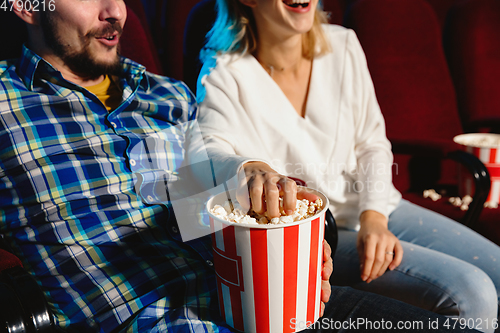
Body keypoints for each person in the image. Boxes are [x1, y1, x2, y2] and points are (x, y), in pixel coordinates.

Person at [0, 0, 484, 332]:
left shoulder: (167, 94)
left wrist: (293, 249)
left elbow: (207, 194)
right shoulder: (5, 104)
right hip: (156, 318)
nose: (115, 13)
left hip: (258, 302)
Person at [194, 0, 500, 331]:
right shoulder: (222, 72)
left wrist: (374, 218)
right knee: (472, 293)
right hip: (314, 234)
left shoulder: (343, 44)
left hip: (376, 206)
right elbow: (206, 152)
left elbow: (372, 142)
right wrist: (248, 167)